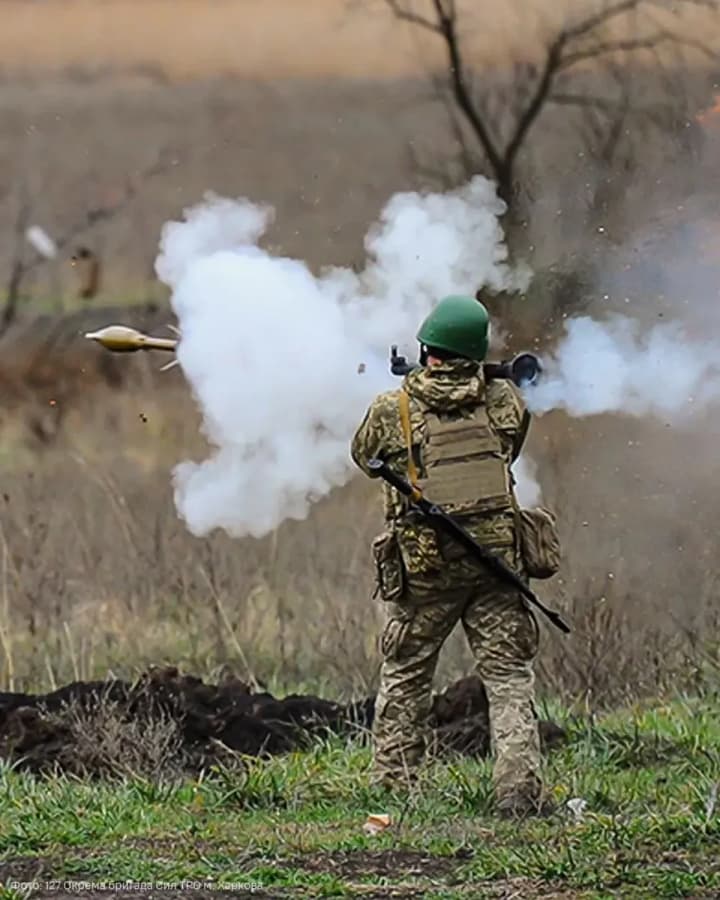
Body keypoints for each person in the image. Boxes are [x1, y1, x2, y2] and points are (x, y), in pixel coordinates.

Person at [351, 294, 548, 818]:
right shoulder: (504, 401)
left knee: (407, 675)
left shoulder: (390, 410)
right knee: (508, 680)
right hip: (496, 564)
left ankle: (396, 787)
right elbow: (511, 445)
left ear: (427, 348)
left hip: (428, 568)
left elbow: (363, 457)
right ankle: (517, 792)